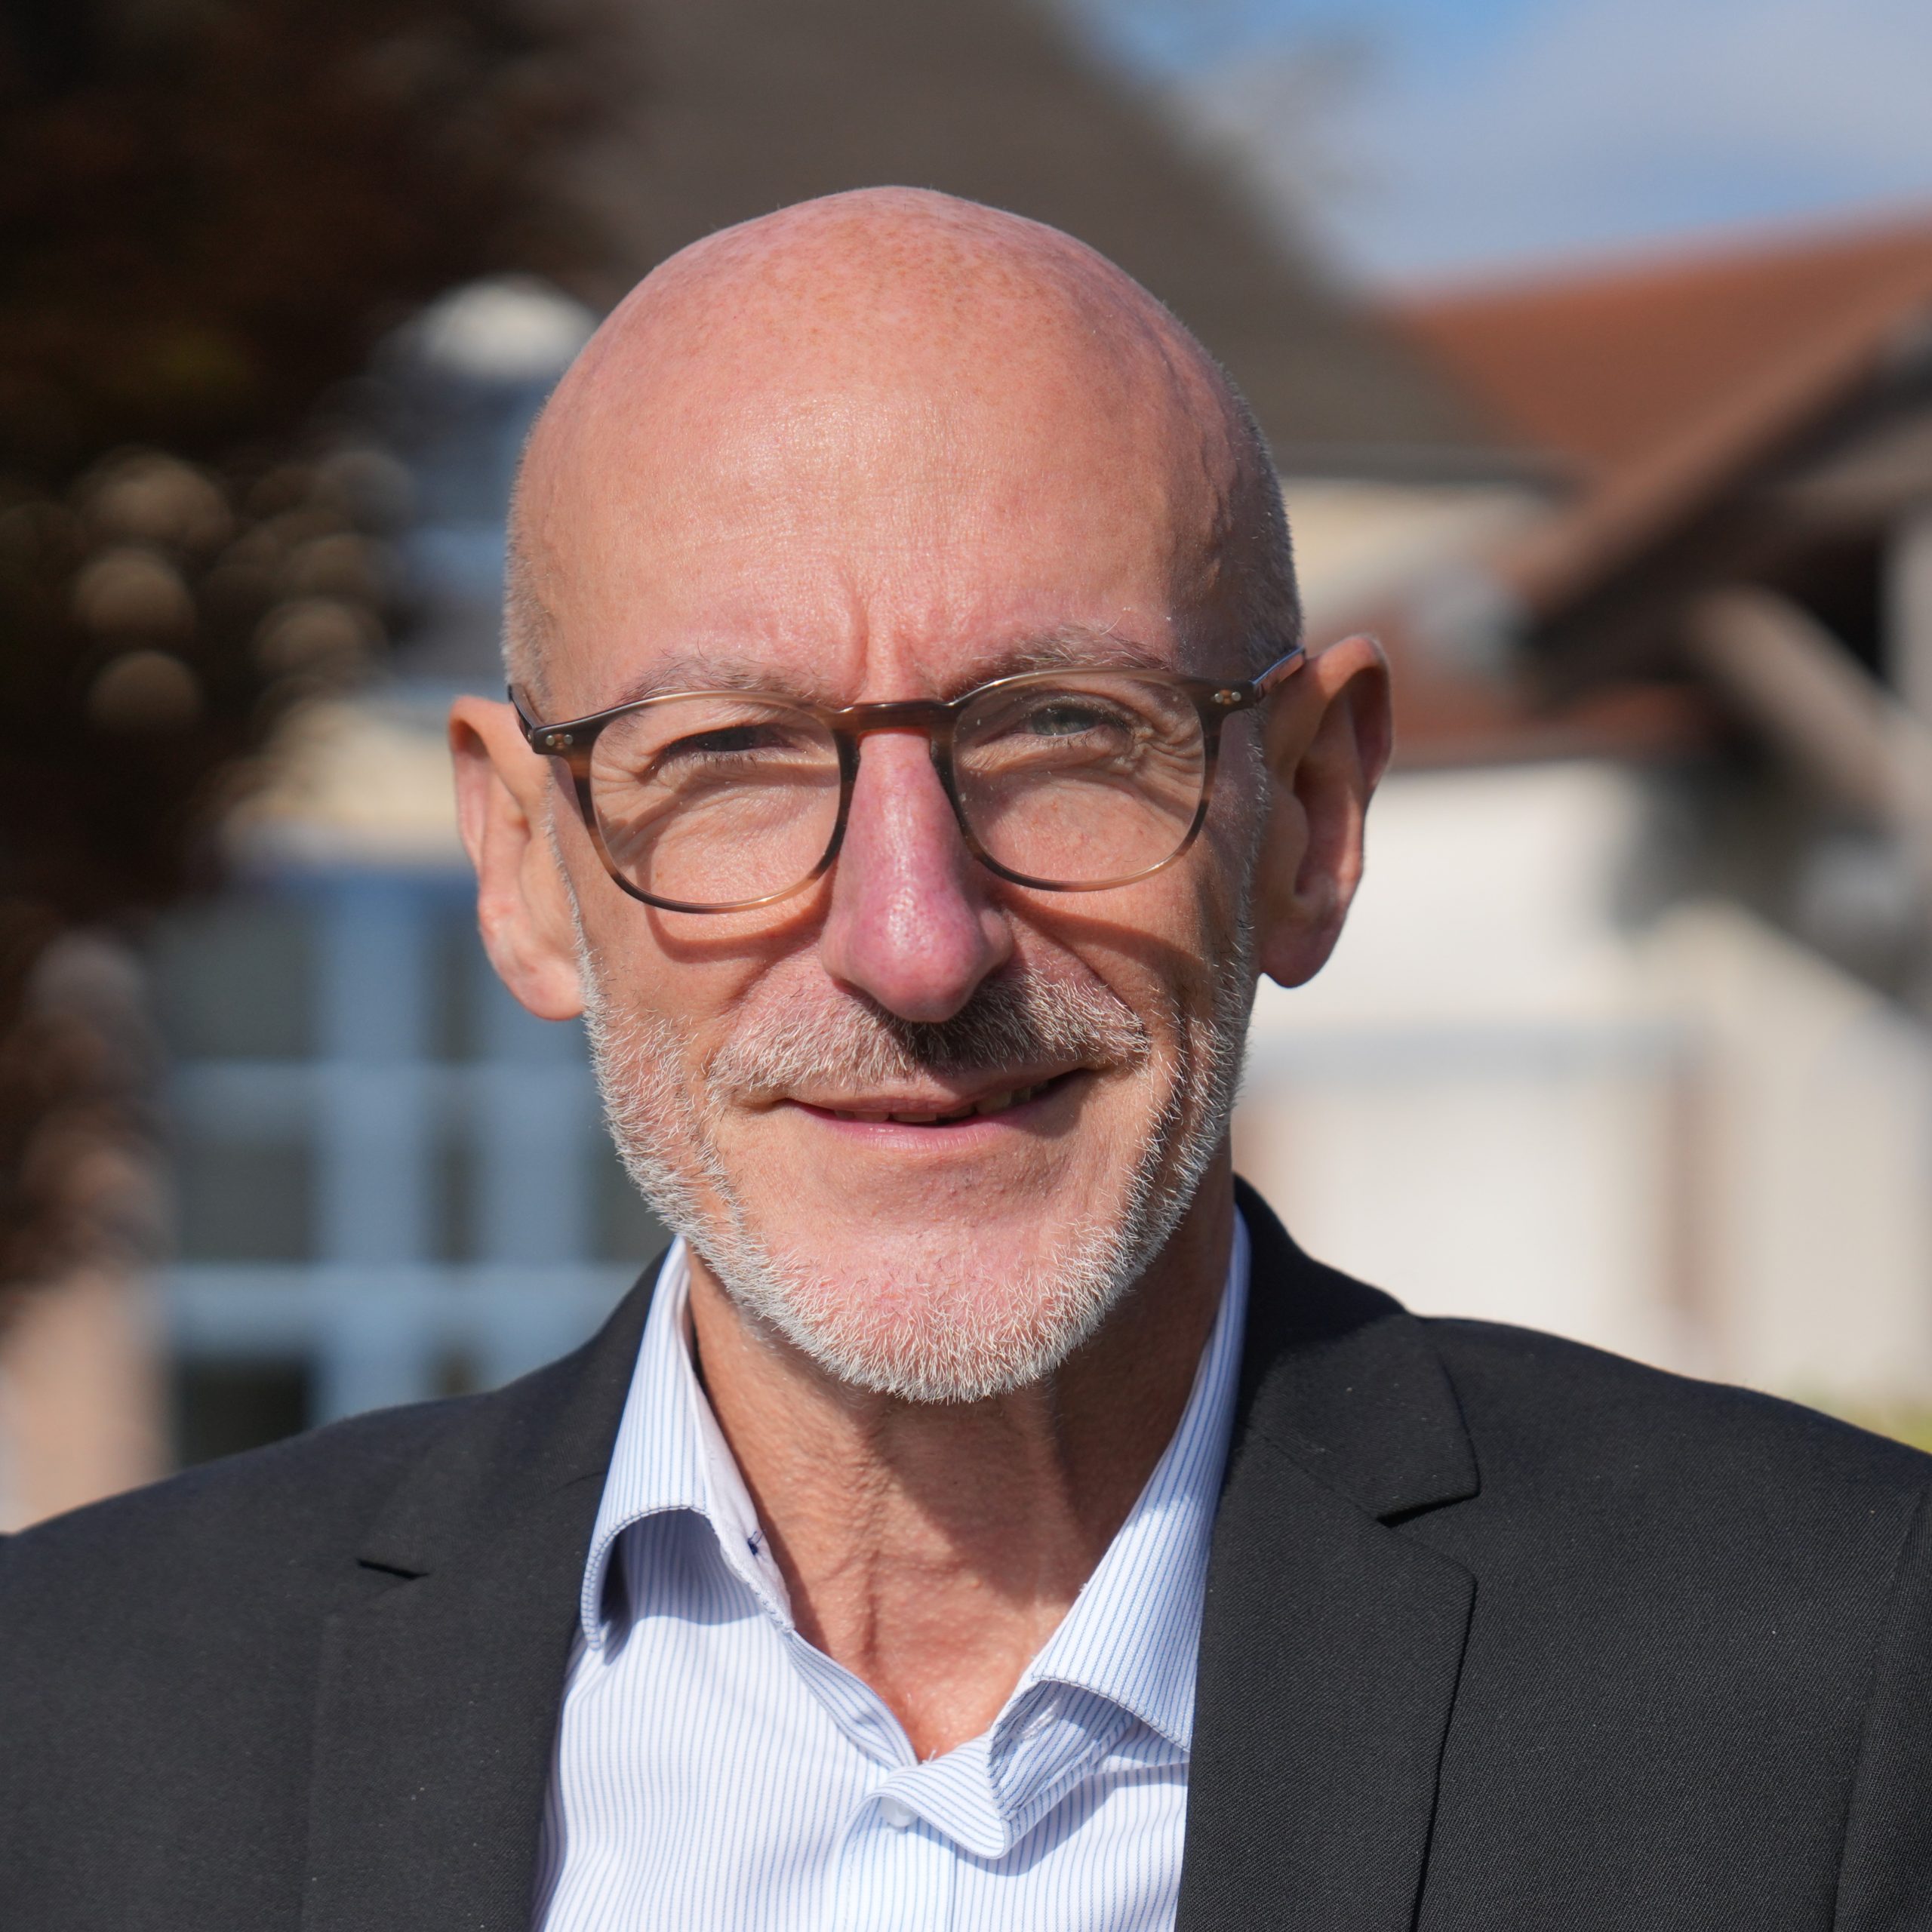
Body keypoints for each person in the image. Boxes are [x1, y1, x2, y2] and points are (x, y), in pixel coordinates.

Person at [2, 189, 1929, 1932]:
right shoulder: (66, 1728)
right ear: (521, 864)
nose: (913, 941)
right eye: (729, 756)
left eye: (1063, 732)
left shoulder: (1840, 1679)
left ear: (1308, 816)